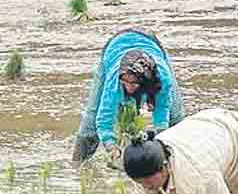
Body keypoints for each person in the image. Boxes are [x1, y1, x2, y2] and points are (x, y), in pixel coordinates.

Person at [72, 28, 184, 166]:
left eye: (134, 83)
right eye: (125, 83)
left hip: (152, 45)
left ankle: (177, 162)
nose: (129, 87)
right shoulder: (115, 79)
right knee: (90, 120)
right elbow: (104, 117)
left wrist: (161, 142)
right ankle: (78, 166)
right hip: (114, 47)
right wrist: (110, 146)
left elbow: (162, 111)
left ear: (144, 81)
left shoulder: (161, 78)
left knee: (176, 117)